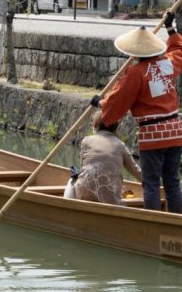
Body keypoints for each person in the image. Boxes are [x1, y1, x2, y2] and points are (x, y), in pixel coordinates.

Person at [90, 11, 182, 213]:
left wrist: (100, 103)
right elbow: (178, 49)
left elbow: (118, 100)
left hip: (153, 136)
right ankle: (177, 222)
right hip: (176, 132)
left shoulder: (136, 73)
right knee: (173, 183)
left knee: (150, 184)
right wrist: (170, 28)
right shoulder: (167, 64)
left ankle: (152, 224)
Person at [64, 111, 142, 205]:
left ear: (96, 127)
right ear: (115, 128)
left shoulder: (86, 141)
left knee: (72, 179)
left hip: (85, 194)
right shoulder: (120, 145)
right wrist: (150, 182)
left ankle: (68, 205)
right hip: (110, 199)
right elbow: (135, 169)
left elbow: (83, 168)